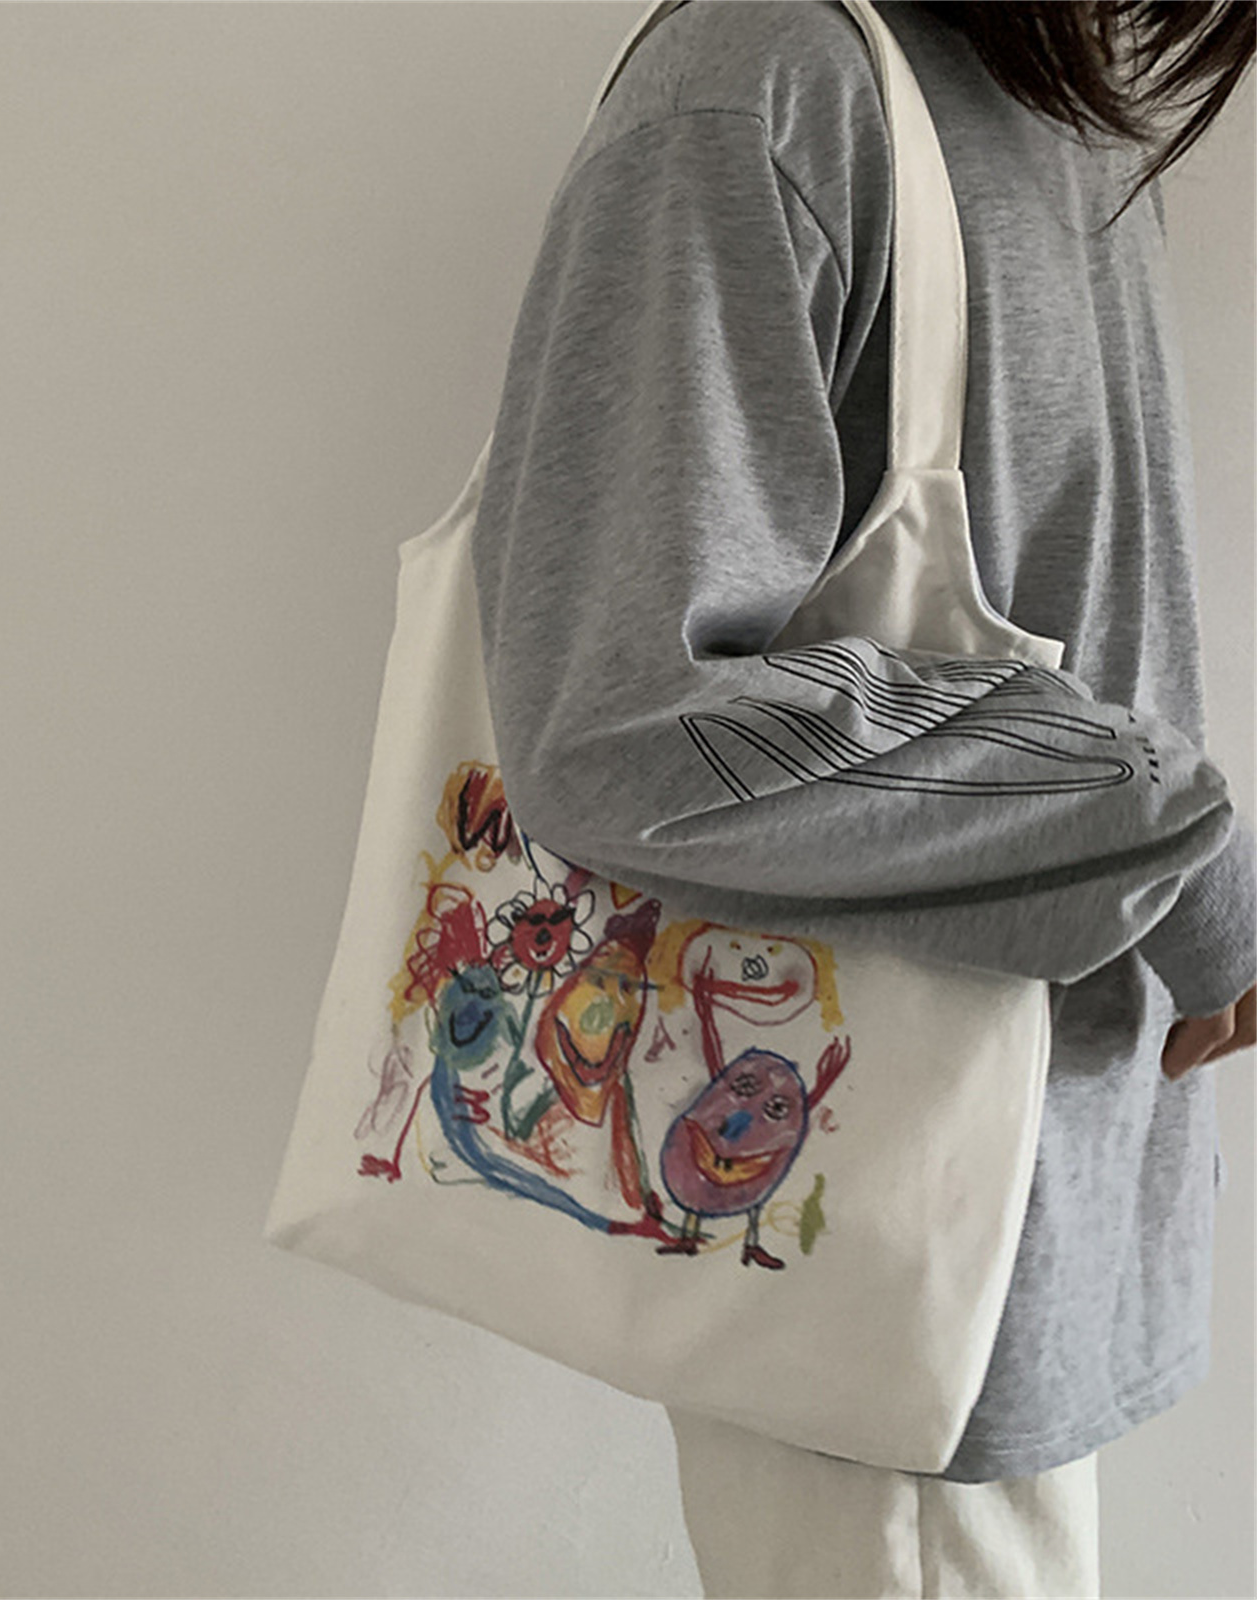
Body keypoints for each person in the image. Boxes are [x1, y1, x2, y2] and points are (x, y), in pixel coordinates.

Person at [468, 1, 1256, 1594]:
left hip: (1036, 1195)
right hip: (889, 1253)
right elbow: (623, 727)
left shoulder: (1047, 94)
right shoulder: (770, 86)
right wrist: (1178, 845)